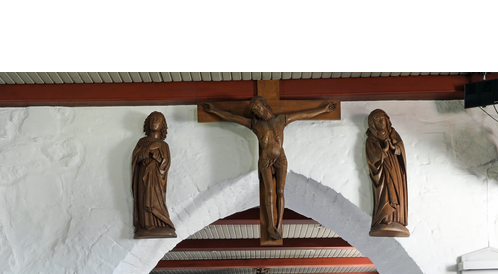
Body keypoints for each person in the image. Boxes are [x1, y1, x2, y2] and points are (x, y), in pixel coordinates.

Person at [203, 97, 336, 241]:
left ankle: (278, 225)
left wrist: (323, 109)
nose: (258, 112)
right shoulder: (255, 124)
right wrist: (214, 110)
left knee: (280, 190)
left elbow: (303, 114)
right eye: (255, 111)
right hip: (265, 160)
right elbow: (234, 118)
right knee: (269, 191)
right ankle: (270, 226)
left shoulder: (281, 120)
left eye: (259, 108)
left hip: (280, 159)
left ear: (266, 106)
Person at [132, 112, 176, 238]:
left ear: (162, 125)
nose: (154, 121)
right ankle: (146, 225)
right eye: (152, 119)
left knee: (156, 200)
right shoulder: (142, 141)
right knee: (144, 196)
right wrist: (150, 148)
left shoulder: (164, 145)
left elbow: (166, 164)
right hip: (143, 176)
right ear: (147, 123)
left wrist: (158, 158)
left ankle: (161, 223)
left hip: (157, 178)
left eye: (157, 120)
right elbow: (135, 158)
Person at [366, 109, 409, 236]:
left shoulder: (393, 134)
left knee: (398, 190)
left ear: (387, 120)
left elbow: (401, 149)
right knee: (386, 191)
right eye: (377, 120)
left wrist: (395, 148)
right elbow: (373, 159)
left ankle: (397, 219)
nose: (381, 122)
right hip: (383, 170)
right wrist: (383, 150)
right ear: (373, 124)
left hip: (395, 167)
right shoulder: (371, 139)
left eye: (383, 119)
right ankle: (385, 219)